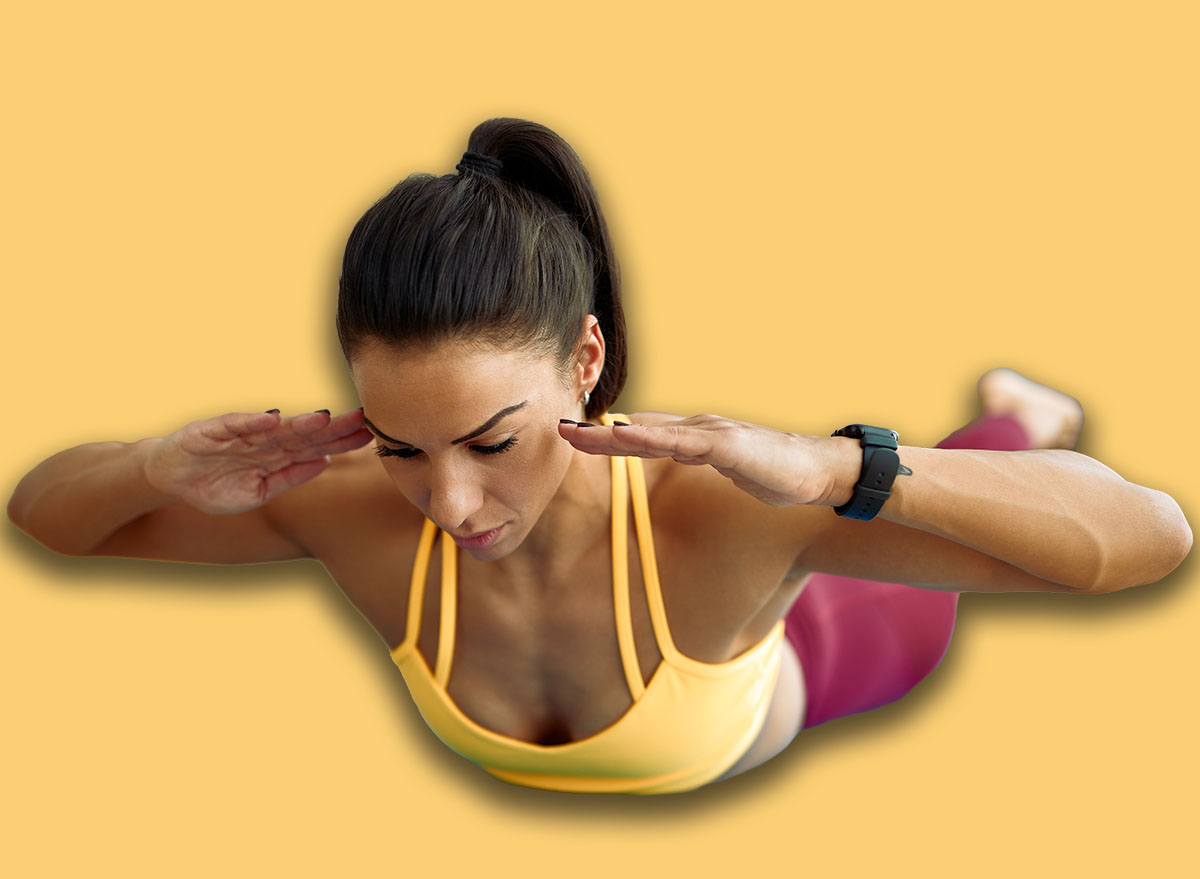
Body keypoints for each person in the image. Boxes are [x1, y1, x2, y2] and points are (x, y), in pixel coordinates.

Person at [8, 117, 1192, 795]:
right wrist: (153, 466)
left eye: (492, 440)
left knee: (954, 492)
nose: (450, 502)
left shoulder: (724, 513)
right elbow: (48, 518)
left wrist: (835, 473)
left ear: (586, 359)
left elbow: (1148, 539)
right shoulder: (344, 506)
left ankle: (1017, 417)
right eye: (402, 445)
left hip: (834, 646)